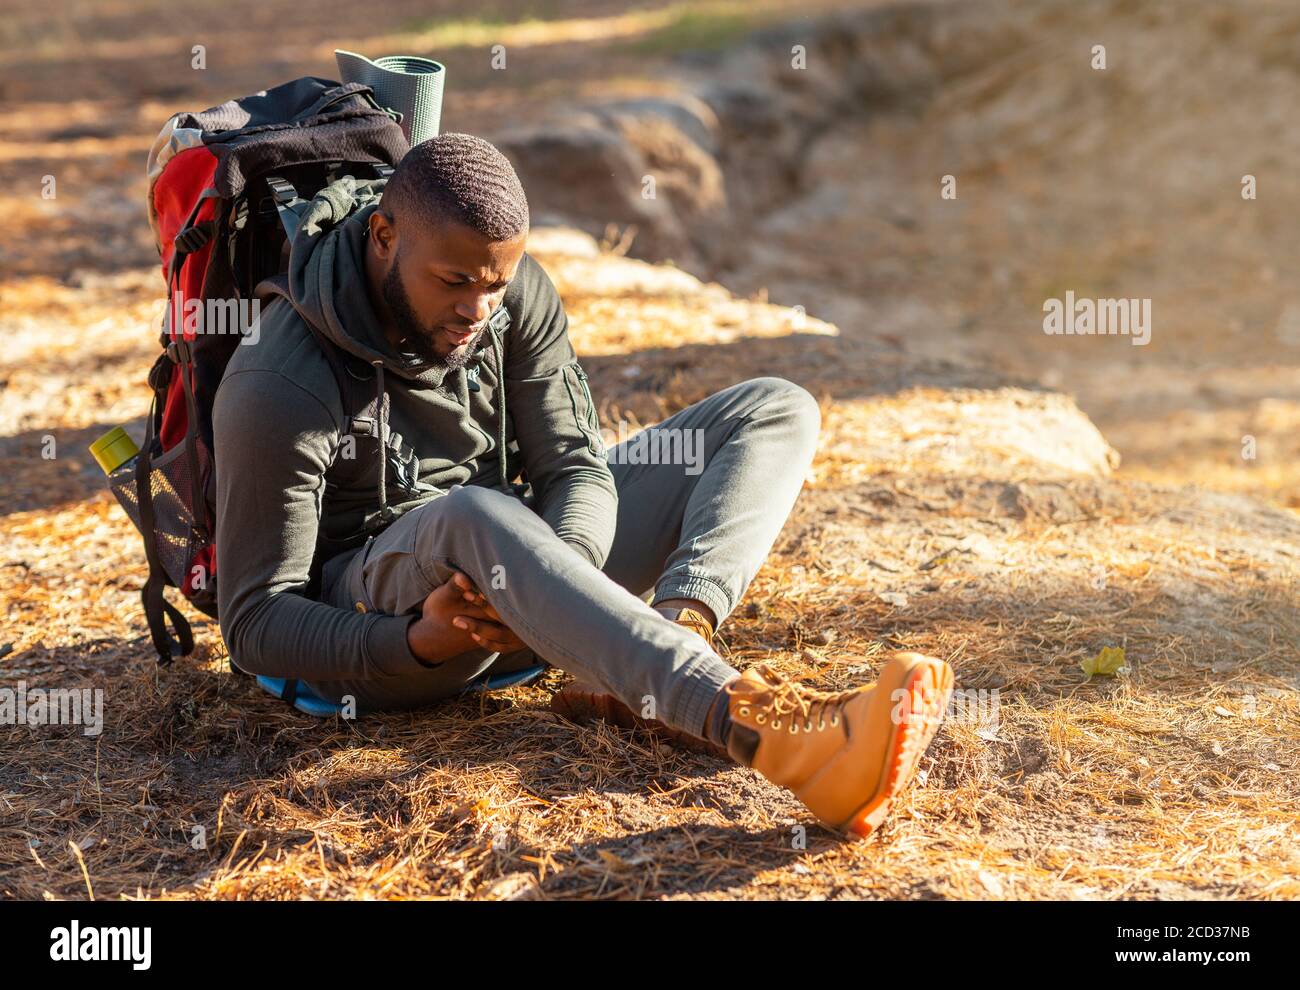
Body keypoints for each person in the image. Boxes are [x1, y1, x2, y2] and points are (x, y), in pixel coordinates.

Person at [213, 133, 953, 837]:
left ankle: (662, 658)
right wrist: (414, 642)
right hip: (399, 622)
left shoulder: (515, 295)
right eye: (454, 282)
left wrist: (551, 575)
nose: (477, 309)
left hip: (518, 568)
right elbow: (254, 625)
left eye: (494, 285)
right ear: (384, 237)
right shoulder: (279, 381)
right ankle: (765, 734)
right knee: (477, 514)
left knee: (770, 409)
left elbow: (573, 464)